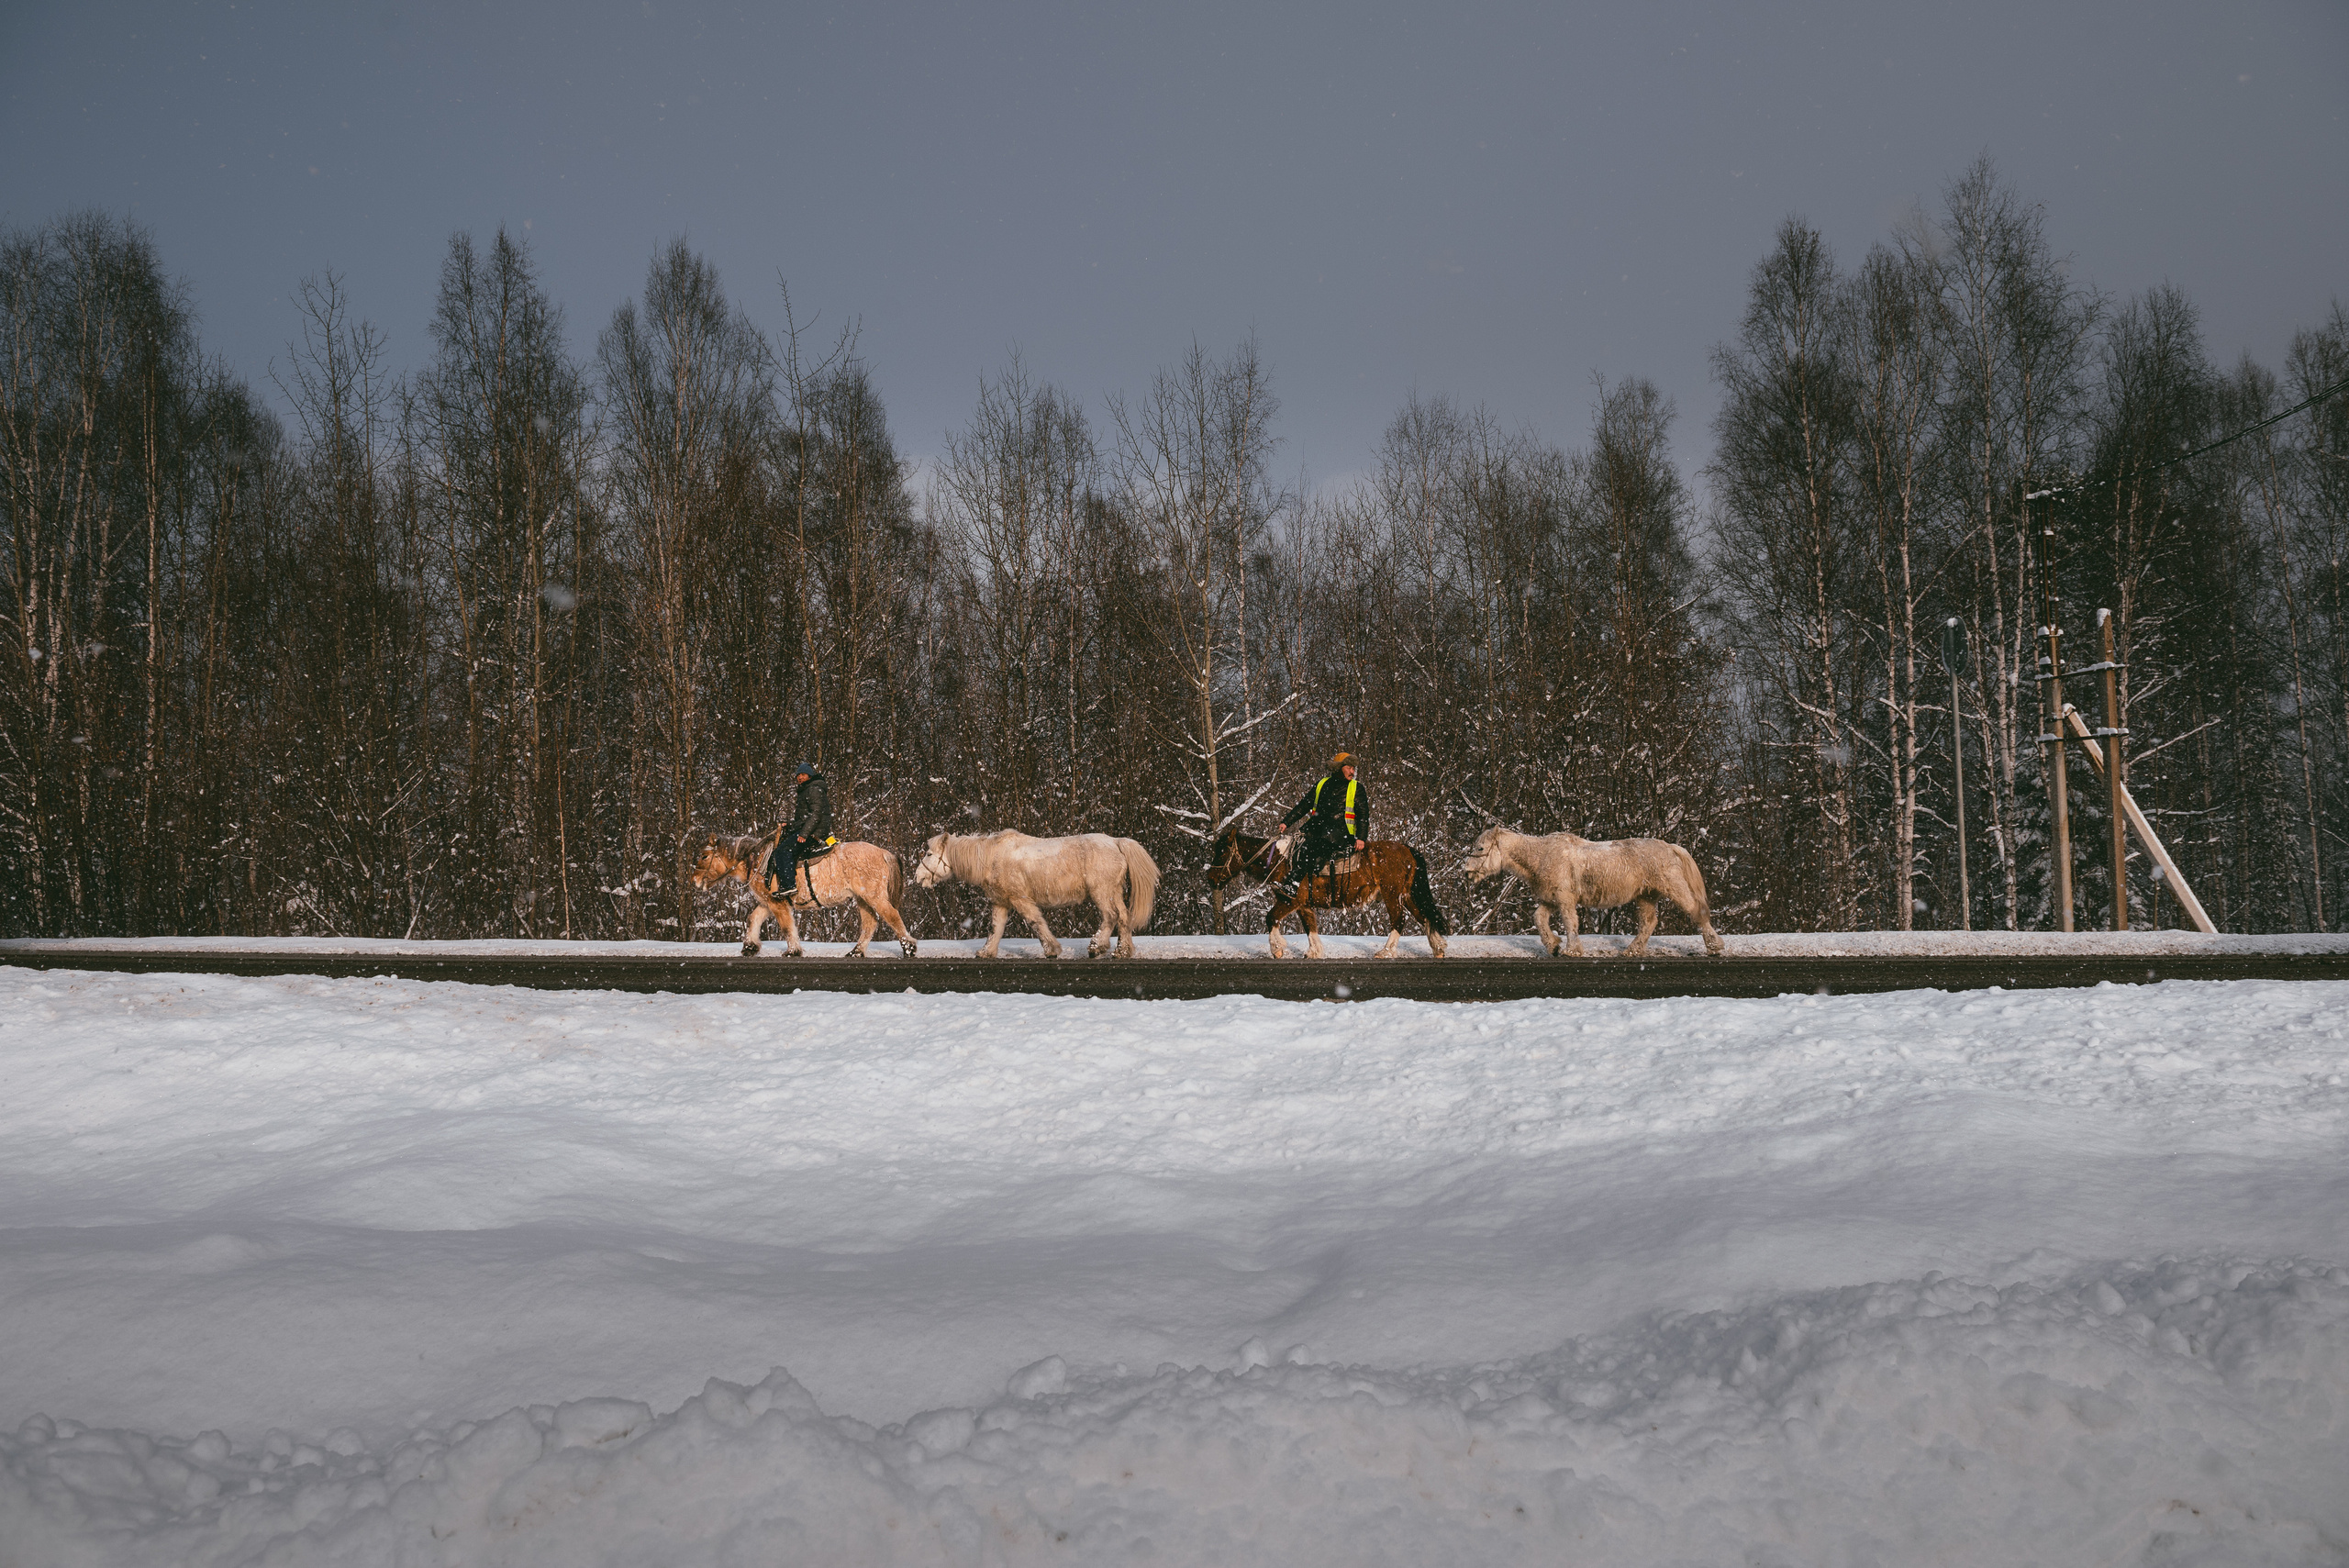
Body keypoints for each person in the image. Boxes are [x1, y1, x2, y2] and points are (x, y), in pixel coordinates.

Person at [1273, 751, 1367, 898]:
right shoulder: (1322, 784)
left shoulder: (1356, 787)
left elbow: (1363, 815)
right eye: (1349, 767)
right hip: (1316, 830)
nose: (1352, 772)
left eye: (1354, 768)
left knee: (1311, 848)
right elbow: (1304, 805)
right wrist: (1286, 822)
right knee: (1296, 847)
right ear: (1339, 767)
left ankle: (1293, 885)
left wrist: (1361, 838)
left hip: (1340, 835)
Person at [763, 762, 833, 900]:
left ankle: (789, 885)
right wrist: (789, 826)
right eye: (798, 775)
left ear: (809, 775)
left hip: (815, 832)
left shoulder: (813, 789)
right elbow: (804, 818)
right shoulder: (807, 790)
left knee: (783, 850)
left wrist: (804, 834)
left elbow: (816, 814)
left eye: (803, 774)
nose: (800, 777)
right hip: (811, 829)